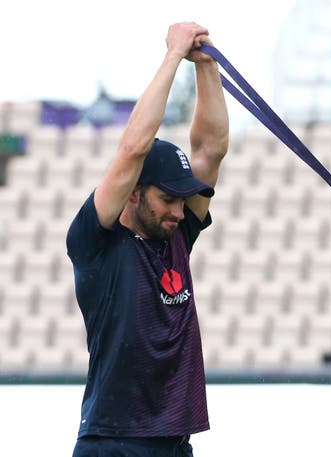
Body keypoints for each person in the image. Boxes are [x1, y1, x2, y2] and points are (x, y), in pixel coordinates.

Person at [66, 22, 229, 457]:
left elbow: (211, 149)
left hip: (174, 443)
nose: (180, 211)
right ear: (134, 193)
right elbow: (132, 150)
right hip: (112, 443)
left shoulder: (176, 233)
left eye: (184, 200)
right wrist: (173, 56)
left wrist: (206, 66)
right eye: (167, 198)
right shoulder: (95, 241)